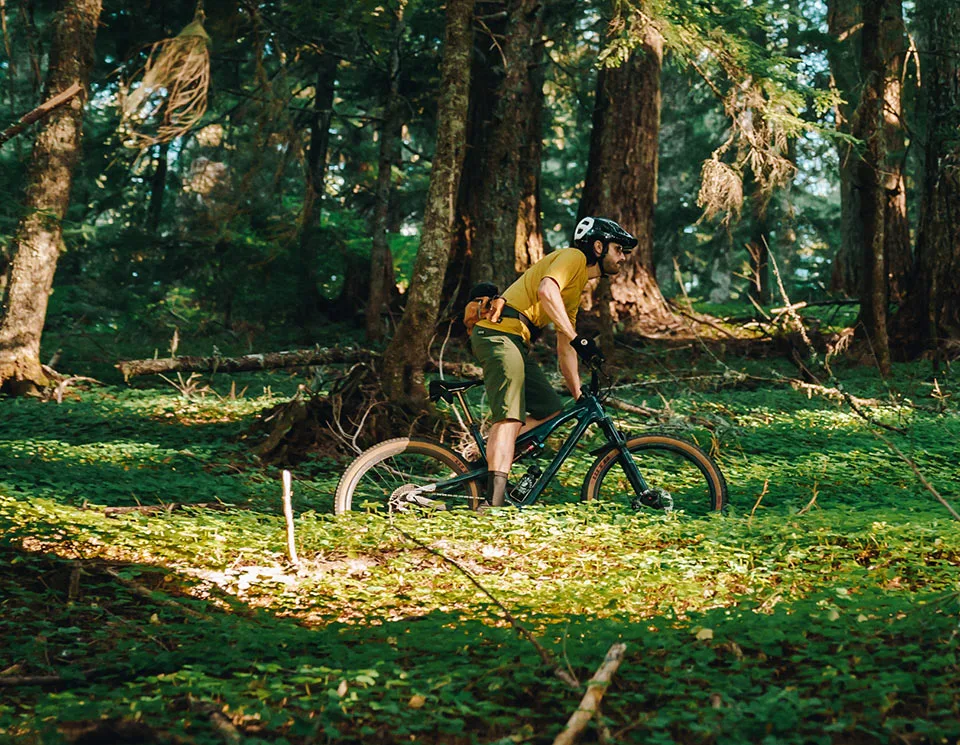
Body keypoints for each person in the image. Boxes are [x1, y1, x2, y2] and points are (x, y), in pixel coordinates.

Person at [470, 216, 638, 506]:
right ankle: (492, 503)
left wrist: (578, 393)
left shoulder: (575, 287)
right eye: (619, 250)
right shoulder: (573, 257)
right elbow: (546, 291)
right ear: (598, 247)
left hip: (514, 341)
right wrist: (577, 338)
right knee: (510, 416)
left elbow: (565, 347)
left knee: (550, 410)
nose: (623, 258)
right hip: (499, 335)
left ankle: (485, 459)